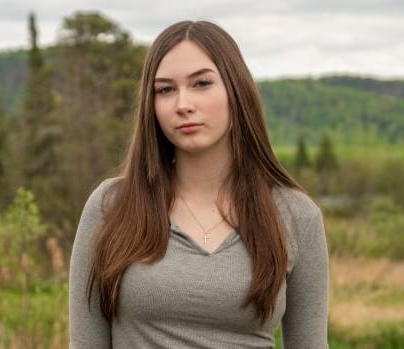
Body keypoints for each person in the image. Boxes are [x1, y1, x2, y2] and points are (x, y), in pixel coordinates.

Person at [69, 20, 329, 349]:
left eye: (202, 83)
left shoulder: (296, 215)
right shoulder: (111, 206)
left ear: (236, 90)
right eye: (165, 90)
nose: (183, 105)